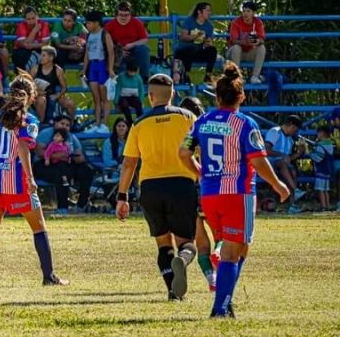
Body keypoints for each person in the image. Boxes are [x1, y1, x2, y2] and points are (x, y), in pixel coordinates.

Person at [179, 62, 290, 317]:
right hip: (238, 194)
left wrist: (201, 172)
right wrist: (277, 184)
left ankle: (225, 298)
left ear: (217, 97)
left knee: (239, 247)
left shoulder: (201, 122)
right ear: (241, 97)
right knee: (233, 252)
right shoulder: (245, 124)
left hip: (209, 194)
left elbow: (183, 153)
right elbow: (258, 160)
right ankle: (220, 309)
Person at [0, 74, 69, 286]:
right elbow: (23, 147)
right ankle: (49, 277)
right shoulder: (29, 120)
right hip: (16, 181)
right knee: (39, 227)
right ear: (32, 96)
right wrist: (31, 178)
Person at [115, 73, 199, 301]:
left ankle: (173, 290)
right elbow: (199, 153)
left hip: (150, 188)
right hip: (182, 185)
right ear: (173, 94)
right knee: (187, 243)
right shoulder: (188, 117)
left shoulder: (139, 123)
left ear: (150, 96)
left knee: (163, 244)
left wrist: (122, 197)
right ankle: (183, 259)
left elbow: (129, 163)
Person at [177, 96, 217, 292]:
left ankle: (212, 280)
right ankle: (219, 256)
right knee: (221, 236)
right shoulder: (209, 128)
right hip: (212, 187)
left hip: (188, 190)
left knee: (201, 242)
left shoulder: (182, 133)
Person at [34, 114, 94, 214]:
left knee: (86, 171)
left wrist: (69, 157)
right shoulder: (46, 133)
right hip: (45, 164)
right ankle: (62, 208)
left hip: (67, 163)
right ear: (55, 123)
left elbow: (80, 157)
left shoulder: (71, 137)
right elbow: (39, 152)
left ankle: (81, 205)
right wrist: (57, 156)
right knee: (62, 173)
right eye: (62, 124)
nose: (65, 127)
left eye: (67, 125)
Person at [82, 10, 116, 134]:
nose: (87, 25)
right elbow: (87, 54)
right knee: (96, 98)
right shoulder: (88, 35)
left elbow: (111, 53)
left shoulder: (105, 34)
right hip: (93, 66)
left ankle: (104, 124)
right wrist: (84, 70)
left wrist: (110, 69)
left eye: (89, 23)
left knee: (104, 97)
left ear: (96, 23)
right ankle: (96, 124)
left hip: (102, 66)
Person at [264, 115, 306, 214]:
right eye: (295, 129)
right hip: (270, 163)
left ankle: (293, 204)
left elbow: (288, 159)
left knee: (292, 171)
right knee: (283, 164)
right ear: (291, 125)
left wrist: (299, 153)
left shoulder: (290, 139)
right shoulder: (275, 132)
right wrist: (282, 155)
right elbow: (266, 150)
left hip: (283, 166)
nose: (295, 132)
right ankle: (295, 191)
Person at [104, 1, 150, 82]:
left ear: (130, 14)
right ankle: (122, 81)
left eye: (126, 15)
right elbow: (104, 42)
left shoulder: (137, 23)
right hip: (117, 52)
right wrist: (118, 50)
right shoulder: (110, 25)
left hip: (133, 50)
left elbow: (145, 39)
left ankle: (144, 77)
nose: (123, 18)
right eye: (121, 15)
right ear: (117, 14)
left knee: (144, 49)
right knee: (121, 74)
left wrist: (132, 44)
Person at [29, 46, 76, 124]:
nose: (41, 58)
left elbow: (64, 88)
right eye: (41, 55)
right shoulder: (35, 68)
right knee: (41, 99)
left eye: (44, 55)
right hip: (37, 95)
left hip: (52, 94)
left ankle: (71, 124)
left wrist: (58, 95)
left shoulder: (58, 70)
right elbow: (26, 85)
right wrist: (37, 92)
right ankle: (41, 124)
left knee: (70, 103)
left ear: (51, 58)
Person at [174, 2, 218, 85]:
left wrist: (207, 42)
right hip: (186, 51)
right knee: (190, 48)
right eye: (207, 10)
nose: (210, 13)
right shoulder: (189, 21)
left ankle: (208, 75)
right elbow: (183, 37)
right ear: (199, 12)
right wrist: (196, 36)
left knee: (213, 50)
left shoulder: (209, 26)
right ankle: (186, 74)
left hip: (200, 51)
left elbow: (209, 41)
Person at [228, 1, 267, 84]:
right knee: (236, 48)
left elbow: (262, 39)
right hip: (234, 53)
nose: (245, 14)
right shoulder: (236, 22)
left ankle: (255, 76)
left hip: (249, 52)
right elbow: (233, 40)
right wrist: (246, 42)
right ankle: (236, 77)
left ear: (254, 13)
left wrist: (257, 41)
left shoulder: (258, 22)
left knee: (262, 48)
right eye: (244, 11)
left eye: (248, 11)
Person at [13, 6, 51, 71]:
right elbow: (24, 44)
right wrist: (34, 30)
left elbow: (45, 44)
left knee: (42, 55)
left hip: (39, 50)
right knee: (20, 56)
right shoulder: (22, 25)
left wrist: (32, 45)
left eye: (33, 18)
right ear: (25, 20)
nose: (32, 21)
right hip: (22, 50)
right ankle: (24, 75)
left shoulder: (43, 25)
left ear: (37, 17)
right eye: (29, 19)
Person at [113, 60, 145, 126]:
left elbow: (141, 90)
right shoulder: (121, 77)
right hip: (123, 97)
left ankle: (140, 120)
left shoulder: (138, 78)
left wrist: (141, 101)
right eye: (130, 71)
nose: (132, 73)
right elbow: (117, 90)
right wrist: (116, 103)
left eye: (134, 72)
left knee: (138, 103)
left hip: (133, 97)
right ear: (127, 69)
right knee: (124, 104)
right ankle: (130, 122)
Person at [312, 125, 335, 211]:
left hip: (321, 170)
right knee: (326, 190)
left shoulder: (320, 146)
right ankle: (328, 204)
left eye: (318, 133)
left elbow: (318, 158)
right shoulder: (330, 144)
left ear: (322, 133)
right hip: (328, 170)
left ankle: (323, 206)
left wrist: (311, 154)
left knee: (320, 189)